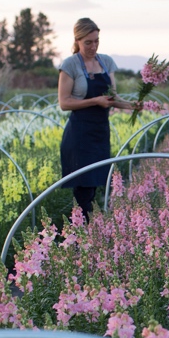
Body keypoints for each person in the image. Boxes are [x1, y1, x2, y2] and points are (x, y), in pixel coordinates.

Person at [57, 18, 132, 220]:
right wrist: (94, 101)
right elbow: (64, 103)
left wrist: (134, 106)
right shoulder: (70, 65)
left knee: (95, 186)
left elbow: (112, 98)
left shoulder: (106, 62)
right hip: (79, 135)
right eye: (88, 42)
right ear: (77, 40)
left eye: (96, 41)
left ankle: (91, 233)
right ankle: (82, 236)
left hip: (100, 132)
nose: (93, 46)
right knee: (83, 192)